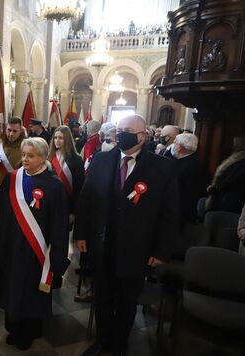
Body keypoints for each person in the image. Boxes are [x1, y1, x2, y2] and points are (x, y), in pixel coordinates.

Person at [74, 115, 179, 356]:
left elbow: (169, 214)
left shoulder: (162, 167)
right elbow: (86, 199)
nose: (121, 134)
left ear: (142, 136)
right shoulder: (102, 159)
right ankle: (103, 342)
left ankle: (120, 344)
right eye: (119, 130)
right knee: (101, 298)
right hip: (102, 244)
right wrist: (80, 234)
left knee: (126, 301)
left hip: (137, 248)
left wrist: (161, 251)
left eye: (128, 130)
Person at [0, 137, 70, 351]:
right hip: (10, 246)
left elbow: (59, 225)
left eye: (31, 156)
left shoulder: (54, 186)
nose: (25, 159)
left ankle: (29, 331)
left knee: (30, 291)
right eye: (23, 155)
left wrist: (57, 257)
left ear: (43, 157)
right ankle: (13, 327)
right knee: (11, 288)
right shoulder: (12, 178)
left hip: (36, 251)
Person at [172, 133, 209, 229]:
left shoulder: (184, 167)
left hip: (180, 213)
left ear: (180, 147)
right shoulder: (195, 163)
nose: (173, 145)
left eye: (175, 143)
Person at [0, 117, 26, 208]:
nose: (11, 134)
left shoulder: (25, 146)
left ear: (20, 131)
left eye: (15, 131)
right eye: (9, 130)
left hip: (13, 186)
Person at [48, 126, 85, 215]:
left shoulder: (76, 159)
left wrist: (73, 211)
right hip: (50, 200)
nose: (57, 140)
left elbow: (78, 187)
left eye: (61, 138)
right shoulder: (49, 157)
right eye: (55, 138)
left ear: (67, 140)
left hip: (67, 202)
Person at [205, 135, 245, 214]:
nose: (233, 145)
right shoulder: (235, 158)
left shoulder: (242, 161)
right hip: (222, 195)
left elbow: (232, 179)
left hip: (229, 198)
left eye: (235, 143)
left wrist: (214, 188)